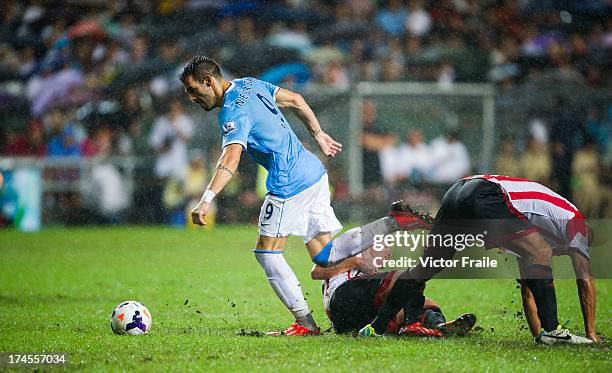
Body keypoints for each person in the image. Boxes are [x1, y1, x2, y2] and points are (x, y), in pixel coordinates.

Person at [178, 56, 427, 336]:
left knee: (267, 253)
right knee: (324, 254)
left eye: (193, 90)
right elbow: (296, 100)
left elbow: (231, 157)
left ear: (209, 81)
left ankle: (305, 324)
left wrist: (206, 198)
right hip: (313, 171)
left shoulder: (232, 112)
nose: (191, 97)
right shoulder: (249, 84)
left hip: (290, 182)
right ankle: (395, 221)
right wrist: (318, 134)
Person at [359, 175, 600, 345]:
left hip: (457, 191)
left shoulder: (539, 226)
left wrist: (538, 334)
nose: (576, 250)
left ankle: (375, 328)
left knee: (426, 267)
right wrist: (591, 333)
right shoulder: (576, 222)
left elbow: (528, 287)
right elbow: (585, 278)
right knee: (542, 252)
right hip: (485, 194)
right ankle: (553, 332)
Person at [312, 245, 476, 337]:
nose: (387, 257)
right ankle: (411, 324)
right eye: (385, 252)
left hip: (353, 322)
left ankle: (437, 325)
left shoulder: (369, 278)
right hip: (341, 298)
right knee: (404, 277)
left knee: (426, 302)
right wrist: (355, 261)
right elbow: (316, 272)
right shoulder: (348, 251)